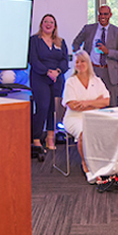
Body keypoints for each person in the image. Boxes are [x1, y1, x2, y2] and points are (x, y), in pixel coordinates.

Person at [62, 50, 110, 176]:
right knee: (84, 132)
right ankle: (86, 164)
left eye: (82, 61)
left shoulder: (97, 80)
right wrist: (95, 102)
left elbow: (106, 101)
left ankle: (103, 162)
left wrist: (86, 103)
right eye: (77, 62)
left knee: (111, 129)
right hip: (74, 118)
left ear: (88, 63)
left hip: (95, 116)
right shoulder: (70, 82)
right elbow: (73, 106)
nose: (80, 64)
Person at [28, 14, 68, 152]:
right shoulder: (34, 40)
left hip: (57, 78)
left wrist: (57, 71)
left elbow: (64, 60)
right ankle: (36, 138)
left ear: (55, 26)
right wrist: (47, 72)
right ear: (41, 24)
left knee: (54, 109)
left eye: (51, 22)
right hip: (40, 77)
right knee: (43, 107)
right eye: (46, 21)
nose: (48, 24)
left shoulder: (60, 42)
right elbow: (33, 59)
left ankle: (50, 137)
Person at [73, 5, 118, 106]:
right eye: (100, 14)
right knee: (92, 102)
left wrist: (108, 51)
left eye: (105, 14)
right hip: (93, 70)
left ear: (110, 15)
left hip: (109, 73)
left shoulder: (117, 32)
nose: (102, 16)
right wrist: (80, 58)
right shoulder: (88, 29)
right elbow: (75, 44)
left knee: (111, 104)